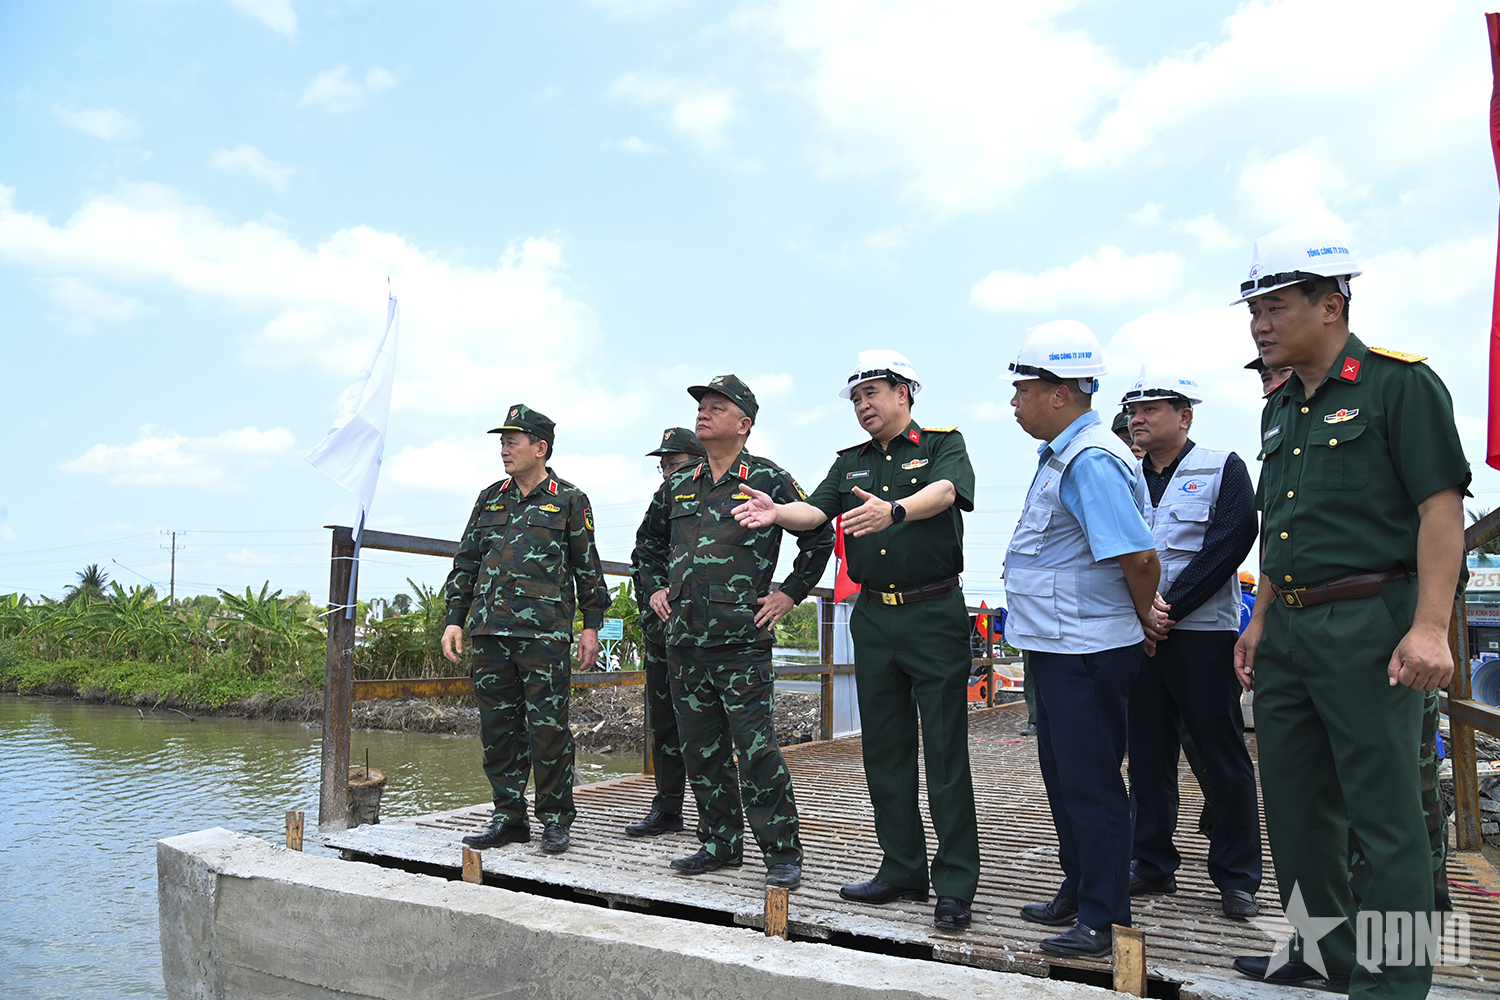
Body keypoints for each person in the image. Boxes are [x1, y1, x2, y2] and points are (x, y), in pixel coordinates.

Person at [1230, 226, 1468, 996]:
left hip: (1372, 622)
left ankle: (1393, 982)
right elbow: (1283, 524)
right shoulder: (1281, 408)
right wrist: (1260, 619)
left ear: (1331, 305)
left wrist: (1429, 626)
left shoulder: (1400, 386)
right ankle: (1320, 951)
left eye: (1275, 307)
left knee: (1385, 816)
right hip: (1290, 629)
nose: (1260, 325)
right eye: (1253, 311)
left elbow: (1440, 510)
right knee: (1296, 811)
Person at [732, 349, 981, 931]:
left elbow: (946, 493)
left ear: (903, 393)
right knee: (884, 749)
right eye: (856, 398)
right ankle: (901, 868)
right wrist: (778, 513)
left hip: (933, 611)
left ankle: (954, 883)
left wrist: (895, 510)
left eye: (872, 393)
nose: (863, 405)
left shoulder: (942, 444)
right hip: (872, 616)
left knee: (945, 750)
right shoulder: (849, 463)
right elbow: (815, 513)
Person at [635, 375, 834, 891]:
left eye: (716, 407)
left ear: (744, 424)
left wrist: (790, 593)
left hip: (741, 639)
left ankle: (782, 852)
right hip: (684, 639)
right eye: (701, 406)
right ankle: (719, 842)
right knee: (700, 749)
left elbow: (819, 535)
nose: (703, 413)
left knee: (756, 749)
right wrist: (655, 588)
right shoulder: (678, 483)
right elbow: (646, 545)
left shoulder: (768, 478)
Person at [1004, 321, 1164, 958]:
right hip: (1057, 645)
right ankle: (1080, 885)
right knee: (1065, 778)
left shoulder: (1090, 459)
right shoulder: (1064, 455)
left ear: (1058, 393)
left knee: (1092, 783)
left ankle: (1104, 916)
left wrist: (1143, 618)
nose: (1014, 402)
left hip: (1088, 650)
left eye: (1022, 390)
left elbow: (1138, 557)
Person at [1119, 372, 1262, 919]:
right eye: (1133, 409)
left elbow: (1231, 541)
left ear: (1185, 416)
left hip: (1201, 636)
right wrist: (1143, 617)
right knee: (1147, 756)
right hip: (1138, 637)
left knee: (1221, 753)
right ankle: (1152, 863)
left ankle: (1237, 876)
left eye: (1151, 409)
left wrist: (1167, 610)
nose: (1137, 418)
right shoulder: (1122, 474)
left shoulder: (1222, 467)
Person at [443, 404, 610, 855]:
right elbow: (466, 562)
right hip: (489, 631)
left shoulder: (569, 499)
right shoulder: (489, 498)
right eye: (502, 442)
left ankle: (555, 820)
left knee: (548, 731)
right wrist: (454, 619)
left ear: (541, 448)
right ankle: (508, 818)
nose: (504, 450)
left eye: (512, 442)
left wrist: (591, 627)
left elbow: (587, 567)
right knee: (498, 730)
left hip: (544, 635)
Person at [625, 427, 708, 838]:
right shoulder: (665, 499)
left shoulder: (727, 491)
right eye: (663, 466)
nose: (667, 473)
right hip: (663, 631)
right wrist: (656, 588)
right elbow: (644, 550)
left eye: (674, 464)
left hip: (711, 632)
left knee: (709, 727)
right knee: (663, 723)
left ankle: (717, 819)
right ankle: (667, 808)